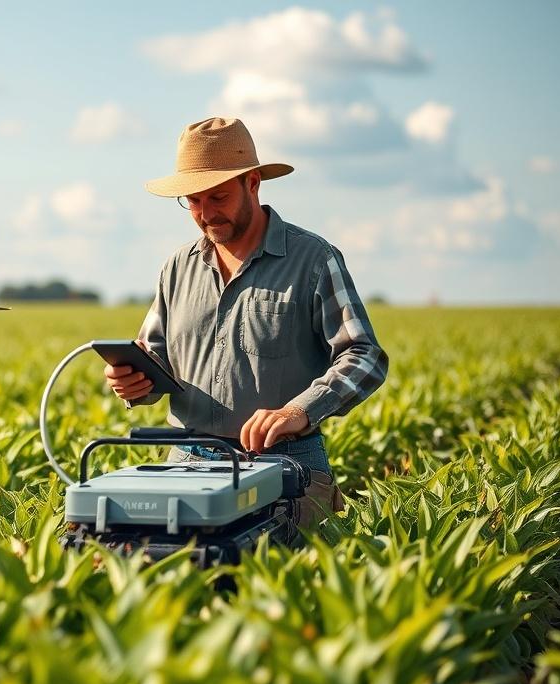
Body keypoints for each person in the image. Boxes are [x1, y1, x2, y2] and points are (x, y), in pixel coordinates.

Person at [105, 117, 388, 529]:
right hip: (187, 462)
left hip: (287, 467)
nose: (205, 214)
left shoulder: (312, 259)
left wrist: (298, 412)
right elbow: (156, 356)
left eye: (217, 197)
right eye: (193, 202)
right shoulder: (177, 268)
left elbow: (364, 356)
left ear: (252, 183)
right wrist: (135, 380)